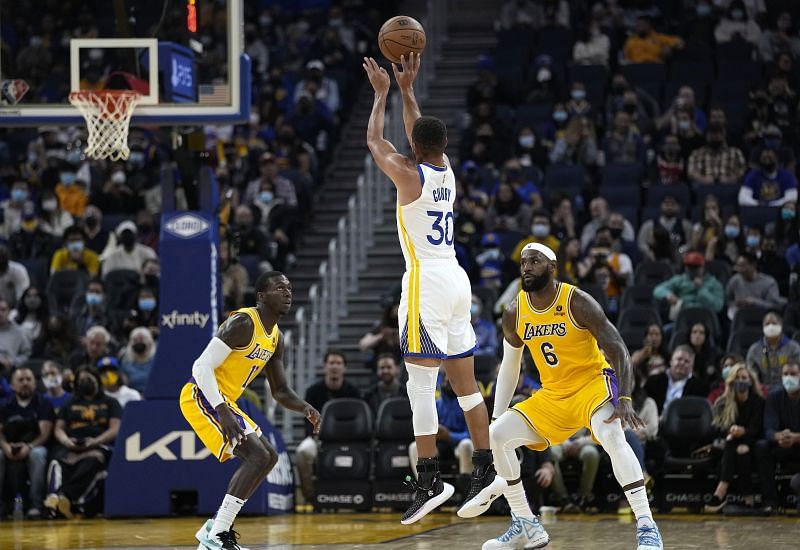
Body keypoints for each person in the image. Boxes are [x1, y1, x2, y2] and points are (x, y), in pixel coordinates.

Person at [363, 53, 495, 524]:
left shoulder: (408, 174)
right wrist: (408, 89)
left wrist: (382, 94)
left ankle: (430, 481)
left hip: (426, 282)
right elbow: (420, 131)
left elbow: (375, 140)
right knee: (468, 391)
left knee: (421, 389)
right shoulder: (447, 170)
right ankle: (485, 470)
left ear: (416, 148)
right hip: (459, 281)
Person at [476, 243, 663, 550]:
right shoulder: (514, 311)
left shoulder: (577, 301)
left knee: (612, 437)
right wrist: (498, 414)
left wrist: (625, 398)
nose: (526, 267)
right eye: (523, 261)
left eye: (534, 261)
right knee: (497, 435)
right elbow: (510, 368)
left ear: (552, 267)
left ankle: (646, 525)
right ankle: (526, 525)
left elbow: (618, 350)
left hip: (592, 385)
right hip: (553, 394)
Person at [180, 271, 320, 550]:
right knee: (257, 455)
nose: (288, 293)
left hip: (225, 400)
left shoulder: (276, 338)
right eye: (280, 288)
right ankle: (217, 534)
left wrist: (304, 407)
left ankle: (216, 526)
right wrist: (221, 410)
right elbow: (200, 367)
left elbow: (279, 390)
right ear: (261, 296)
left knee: (268, 457)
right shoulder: (243, 322)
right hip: (201, 394)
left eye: (290, 288)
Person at [46, 367, 121, 519]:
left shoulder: (110, 402)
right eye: (81, 381)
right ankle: (57, 498)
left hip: (98, 444)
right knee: (57, 462)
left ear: (97, 381)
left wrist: (95, 442)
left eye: (89, 380)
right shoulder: (69, 403)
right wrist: (67, 441)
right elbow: (58, 428)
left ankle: (63, 497)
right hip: (71, 444)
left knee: (92, 461)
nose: (85, 383)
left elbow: (115, 429)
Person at [294, 349, 361, 502]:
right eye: (331, 363)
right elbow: (306, 421)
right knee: (302, 452)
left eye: (338, 363)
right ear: (325, 367)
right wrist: (315, 436)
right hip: (319, 439)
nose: (334, 366)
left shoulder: (354, 392)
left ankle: (357, 493)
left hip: (348, 441)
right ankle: (311, 496)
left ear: (345, 368)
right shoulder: (313, 392)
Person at [705, 364, 764, 512]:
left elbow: (757, 429)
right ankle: (748, 499)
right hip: (729, 443)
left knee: (741, 449)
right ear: (731, 381)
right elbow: (717, 429)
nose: (741, 381)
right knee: (737, 449)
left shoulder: (758, 401)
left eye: (744, 378)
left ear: (750, 381)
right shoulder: (723, 402)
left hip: (753, 441)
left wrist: (743, 432)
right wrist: (730, 432)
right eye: (737, 378)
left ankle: (721, 492)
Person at [0, 367, 54, 518]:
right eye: (20, 380)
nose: (25, 383)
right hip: (9, 445)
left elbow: (45, 434)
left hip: (35, 445)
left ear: (35, 383)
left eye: (29, 379)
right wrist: (5, 447)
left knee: (38, 455)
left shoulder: (43, 403)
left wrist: (28, 447)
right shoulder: (4, 404)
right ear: (12, 385)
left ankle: (36, 504)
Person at [408, 375, 475, 481]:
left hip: (459, 444)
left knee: (466, 445)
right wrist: (432, 434)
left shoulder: (468, 404)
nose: (448, 382)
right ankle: (425, 485)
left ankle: (467, 485)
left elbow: (473, 434)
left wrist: (449, 436)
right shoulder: (435, 404)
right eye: (446, 380)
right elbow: (422, 430)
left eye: (451, 381)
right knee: (414, 447)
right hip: (438, 445)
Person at [755, 361, 800, 513]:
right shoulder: (774, 397)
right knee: (762, 446)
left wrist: (796, 437)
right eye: (785, 374)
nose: (789, 378)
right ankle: (770, 501)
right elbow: (768, 428)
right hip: (782, 445)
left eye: (793, 374)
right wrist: (778, 436)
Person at [652, 252, 724, 320]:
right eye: (690, 267)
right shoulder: (680, 280)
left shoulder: (713, 283)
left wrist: (701, 289)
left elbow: (718, 306)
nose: (692, 271)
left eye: (695, 267)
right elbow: (658, 290)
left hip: (705, 318)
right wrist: (668, 295)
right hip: (683, 317)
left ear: (702, 267)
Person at [644, 345, 708, 415]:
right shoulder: (653, 381)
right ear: (671, 361)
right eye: (679, 359)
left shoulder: (700, 387)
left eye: (686, 361)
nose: (682, 363)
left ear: (692, 366)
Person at [745, 311, 800, 389]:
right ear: (763, 328)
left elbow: (797, 373)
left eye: (774, 323)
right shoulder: (755, 349)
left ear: (781, 326)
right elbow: (751, 374)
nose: (770, 326)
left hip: (788, 390)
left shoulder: (793, 348)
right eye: (767, 324)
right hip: (763, 390)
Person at [725, 253, 786, 321]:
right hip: (740, 317)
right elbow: (727, 300)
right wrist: (736, 303)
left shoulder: (769, 282)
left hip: (763, 318)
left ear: (753, 265)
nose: (740, 269)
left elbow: (774, 306)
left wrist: (754, 302)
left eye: (743, 266)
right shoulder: (735, 280)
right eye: (738, 266)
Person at [118, 327, 157, 394]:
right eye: (135, 340)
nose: (139, 342)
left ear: (150, 341)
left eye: (142, 339)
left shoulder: (156, 361)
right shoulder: (125, 362)